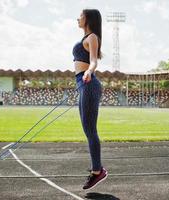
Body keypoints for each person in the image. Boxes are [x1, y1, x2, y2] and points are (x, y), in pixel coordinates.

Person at [72, 8, 108, 190]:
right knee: (87, 129)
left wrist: (88, 71)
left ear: (88, 19)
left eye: (80, 15)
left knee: (91, 130)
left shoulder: (92, 37)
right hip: (82, 83)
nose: (77, 18)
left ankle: (97, 171)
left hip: (89, 82)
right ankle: (96, 169)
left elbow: (93, 61)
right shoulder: (84, 39)